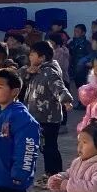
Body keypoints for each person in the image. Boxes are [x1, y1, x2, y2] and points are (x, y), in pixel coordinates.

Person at [23, 39, 74, 184]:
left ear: (42, 57)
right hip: (38, 116)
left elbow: (59, 87)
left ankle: (54, 175)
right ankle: (51, 174)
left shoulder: (49, 72)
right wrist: (28, 71)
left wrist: (66, 101)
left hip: (49, 117)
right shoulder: (36, 70)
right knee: (46, 147)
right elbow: (21, 77)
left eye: (33, 54)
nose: (30, 57)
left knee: (49, 147)